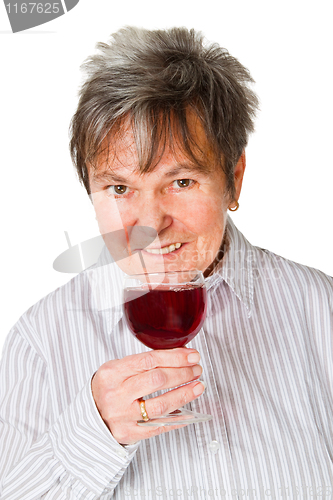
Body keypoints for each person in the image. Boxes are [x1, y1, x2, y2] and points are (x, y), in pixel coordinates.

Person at [1, 26, 332, 500]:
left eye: (181, 182)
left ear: (233, 179)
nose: (150, 223)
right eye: (120, 189)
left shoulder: (321, 310)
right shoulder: (39, 342)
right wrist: (92, 433)